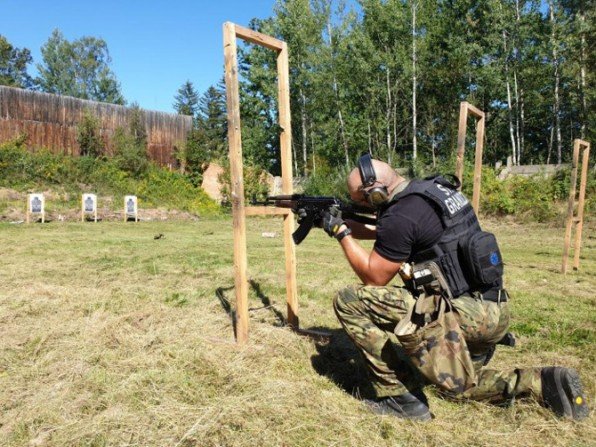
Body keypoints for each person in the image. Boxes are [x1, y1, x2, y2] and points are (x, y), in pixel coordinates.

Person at [314, 154, 588, 422]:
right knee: (455, 388)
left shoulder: (402, 214)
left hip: (463, 316)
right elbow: (398, 232)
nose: (365, 207)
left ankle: (400, 399)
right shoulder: (433, 192)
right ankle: (542, 383)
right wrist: (348, 226)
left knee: (349, 300)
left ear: (375, 193)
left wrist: (342, 233)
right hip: (493, 311)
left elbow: (374, 277)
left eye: (361, 201)